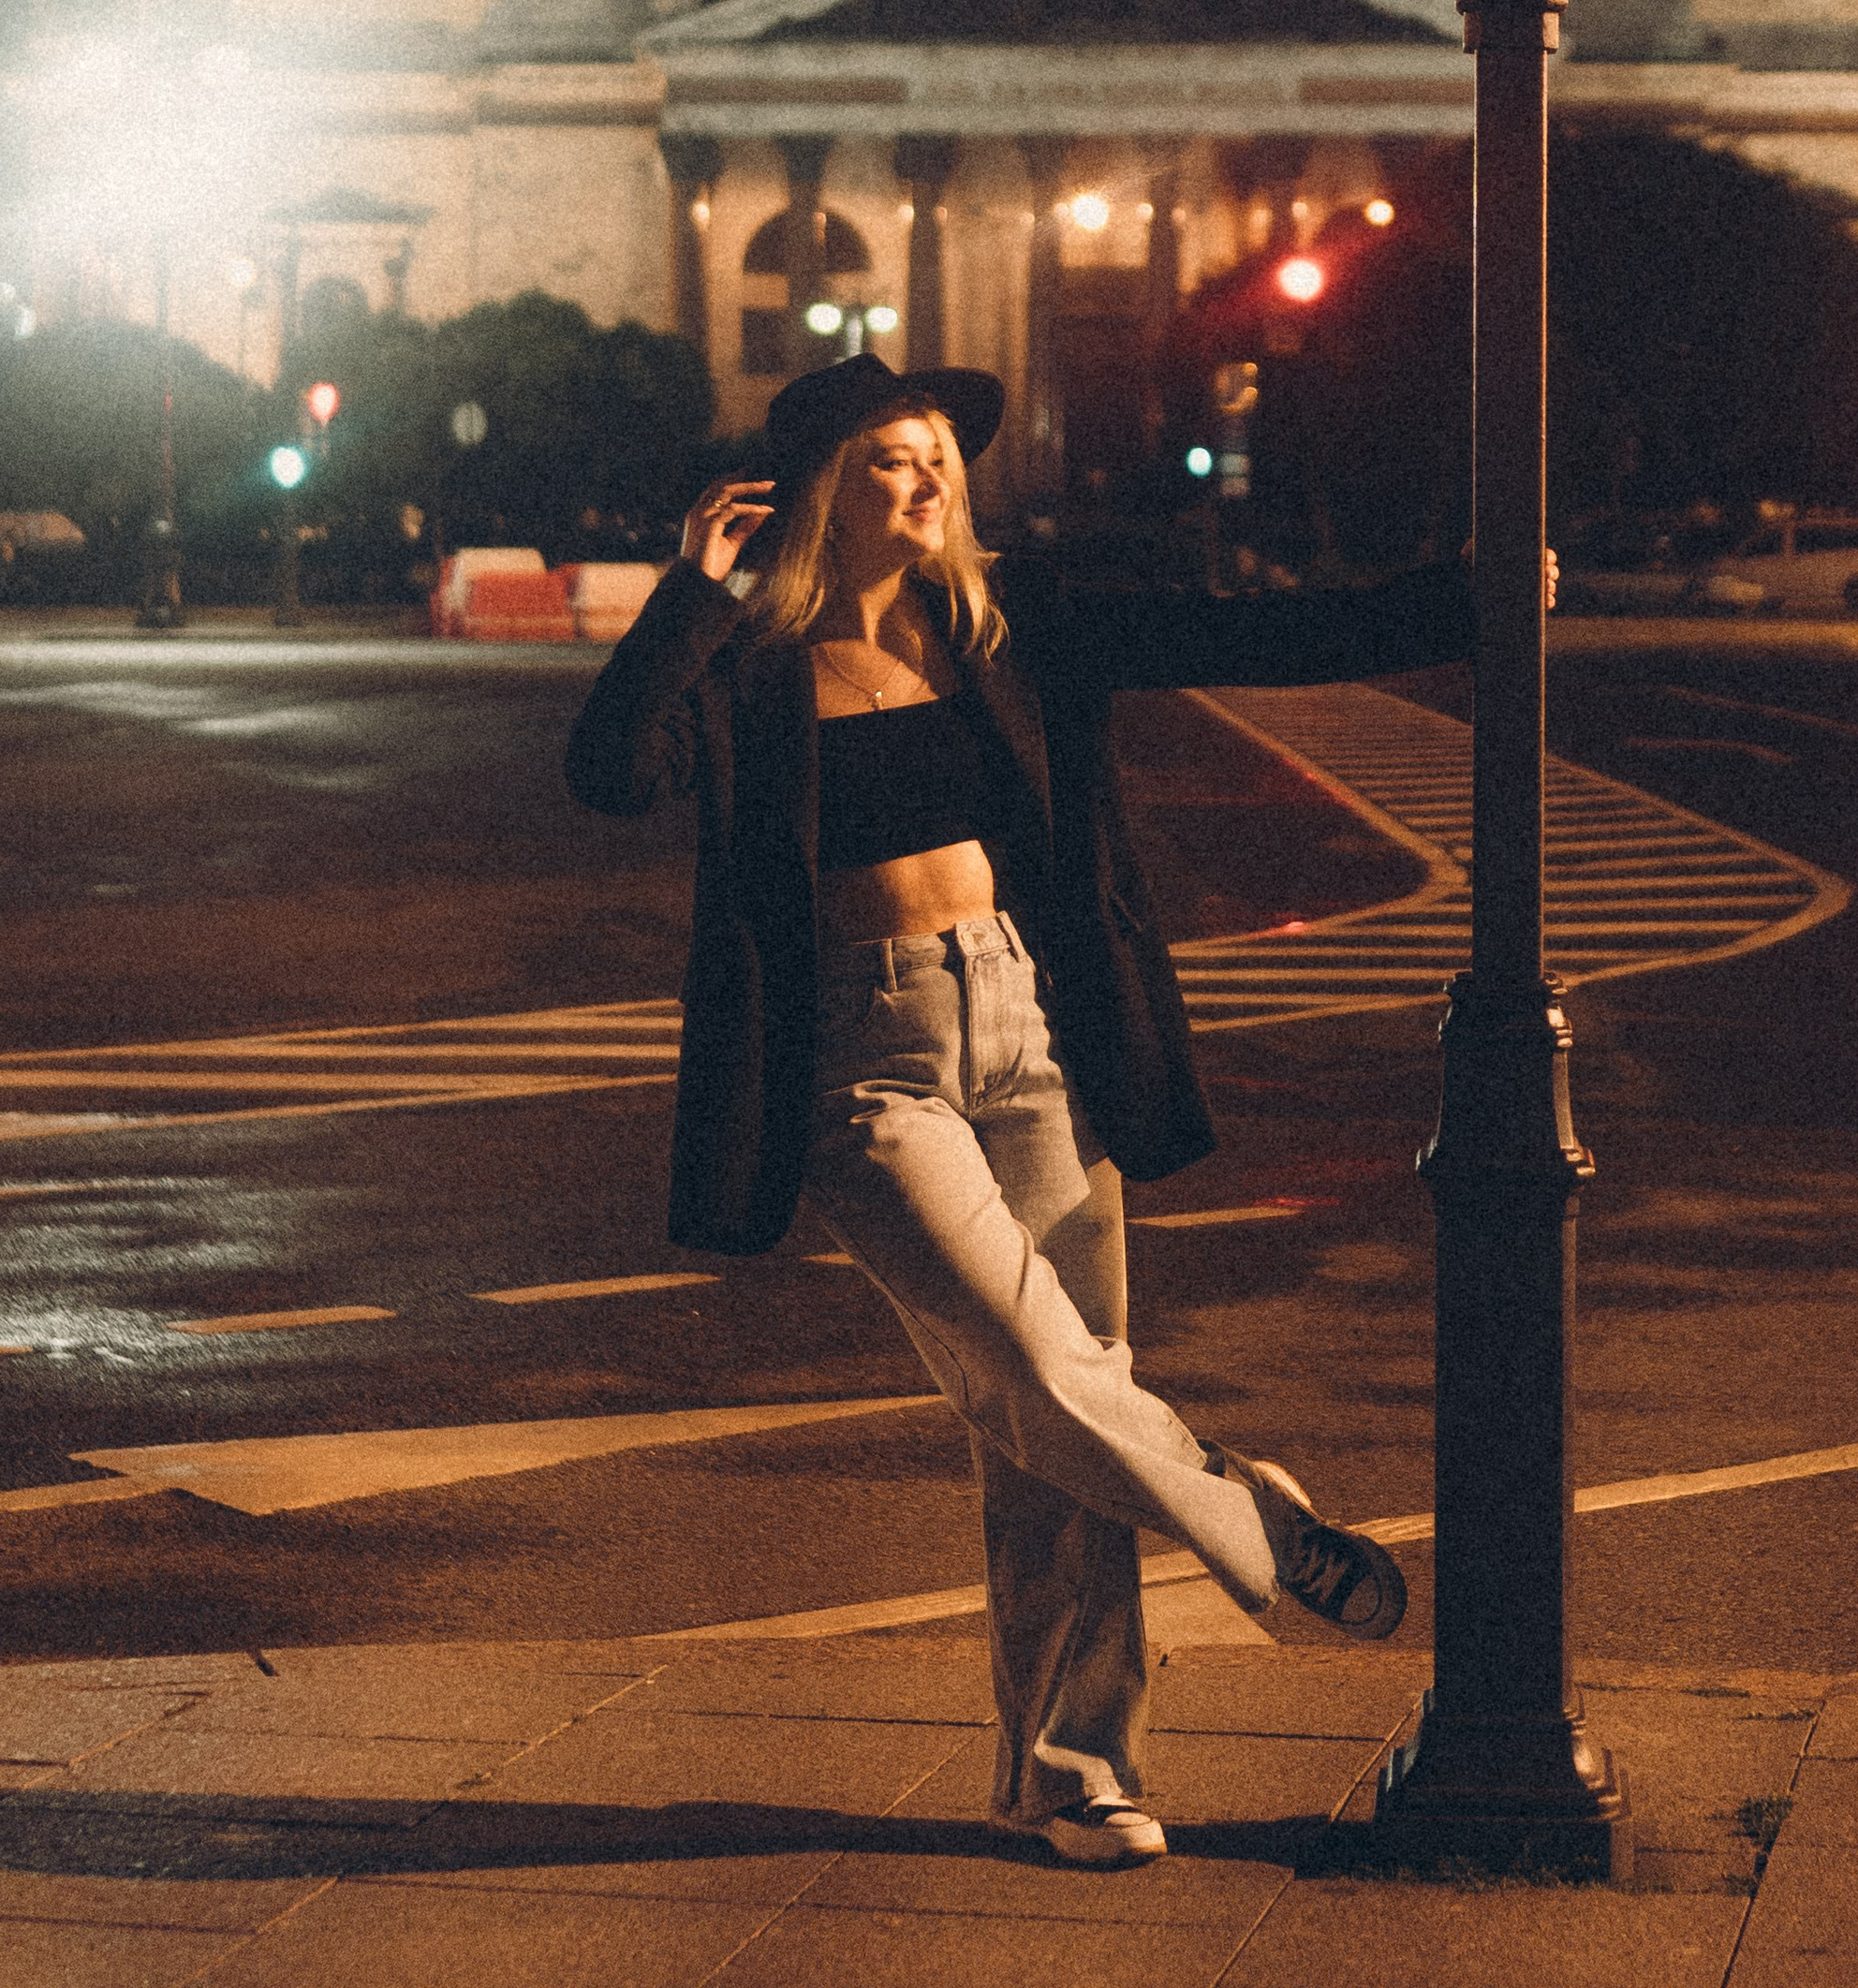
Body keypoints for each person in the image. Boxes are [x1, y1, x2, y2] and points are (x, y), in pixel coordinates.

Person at [566, 349, 1475, 1869]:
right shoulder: (749, 653)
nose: (922, 483)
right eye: (885, 460)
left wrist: (1468, 599)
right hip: (863, 1059)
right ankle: (1253, 1524)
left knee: (1046, 1422)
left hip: (1033, 1029)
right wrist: (690, 593)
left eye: (935, 460)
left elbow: (1244, 637)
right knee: (1048, 1372)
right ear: (810, 489)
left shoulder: (1008, 622)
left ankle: (1073, 1773)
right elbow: (608, 773)